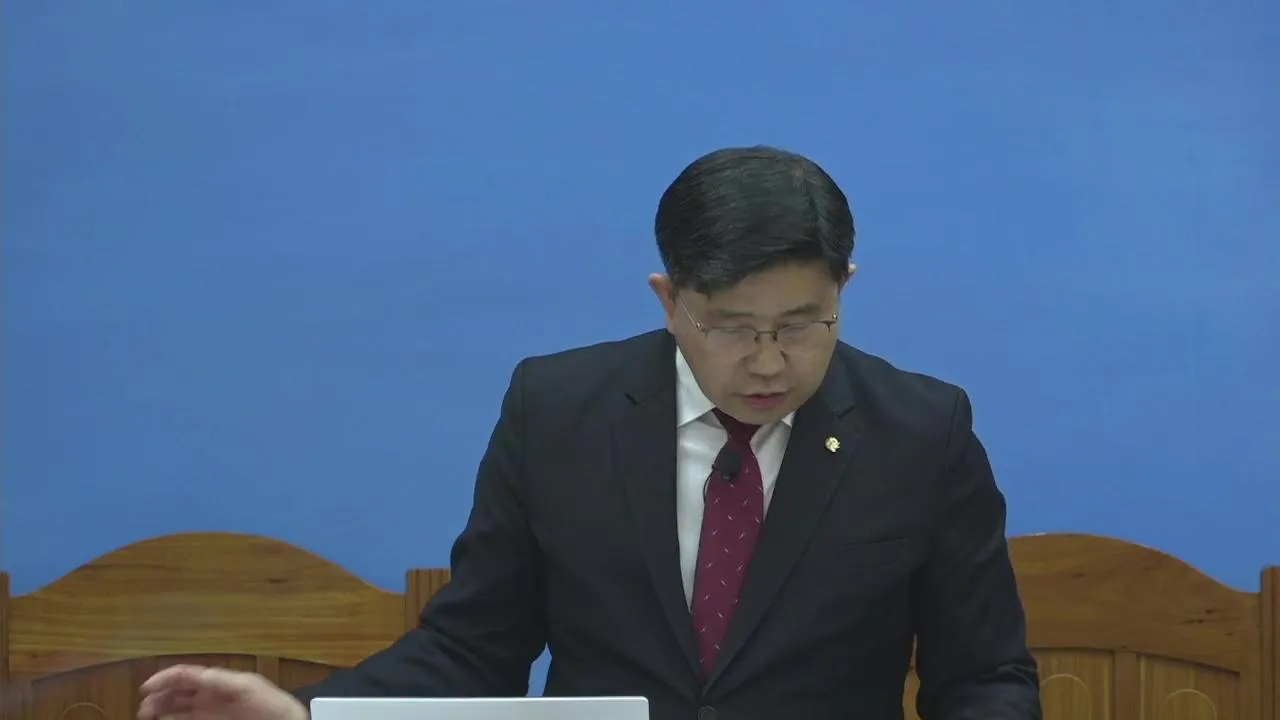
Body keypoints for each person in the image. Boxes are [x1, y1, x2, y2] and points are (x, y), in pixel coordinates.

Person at [137, 146, 1042, 719]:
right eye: (731, 328)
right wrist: (305, 715)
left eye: (803, 325)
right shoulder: (558, 411)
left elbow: (985, 678)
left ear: (845, 287)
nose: (769, 363)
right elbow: (474, 648)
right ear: (669, 300)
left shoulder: (922, 431)